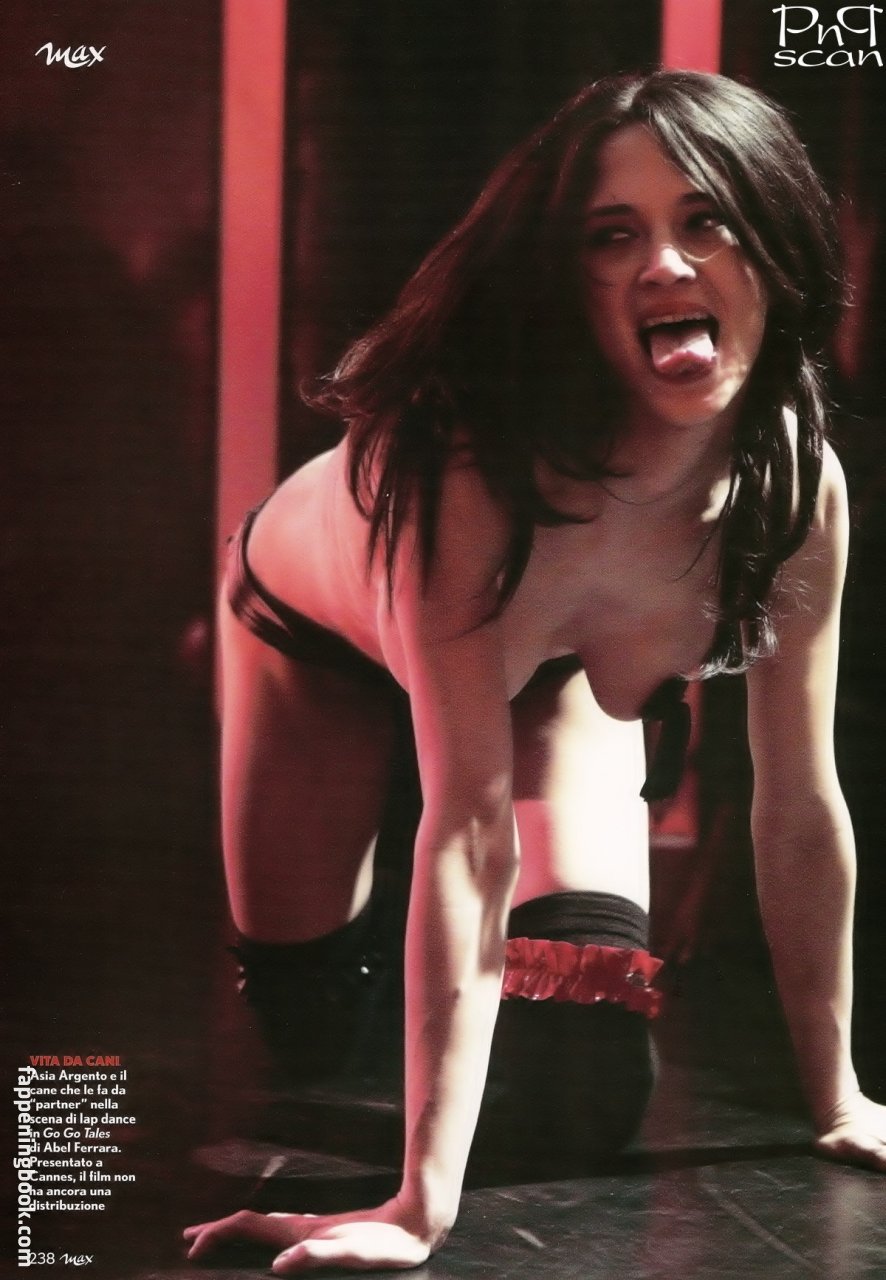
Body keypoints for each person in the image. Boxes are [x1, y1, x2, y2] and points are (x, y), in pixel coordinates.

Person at [184, 70, 886, 1273]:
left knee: (584, 1081)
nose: (664, 263)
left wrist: (840, 1099)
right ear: (569, 279)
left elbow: (796, 798)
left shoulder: (791, 483)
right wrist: (416, 1208)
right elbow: (468, 831)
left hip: (546, 679)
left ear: (773, 243)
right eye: (613, 236)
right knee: (317, 1030)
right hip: (319, 652)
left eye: (705, 219)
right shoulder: (470, 477)